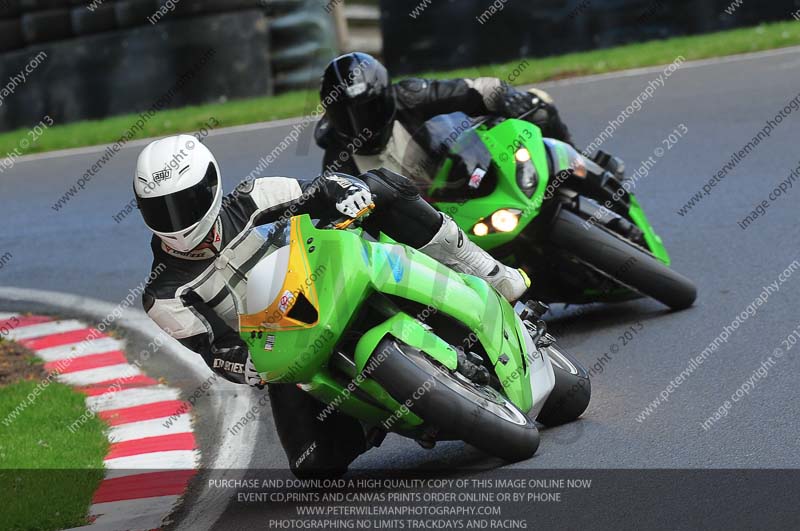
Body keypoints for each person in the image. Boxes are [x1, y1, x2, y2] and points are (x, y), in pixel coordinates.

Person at [136, 134, 529, 477]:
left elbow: (322, 188)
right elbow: (215, 350)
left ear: (211, 185)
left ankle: (489, 271)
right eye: (162, 210)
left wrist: (346, 192)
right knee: (314, 464)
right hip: (287, 347)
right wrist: (249, 366)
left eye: (186, 202)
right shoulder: (165, 295)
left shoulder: (253, 197)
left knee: (383, 188)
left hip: (334, 279)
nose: (177, 218)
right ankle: (366, 414)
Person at [315, 52, 578, 179]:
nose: (362, 125)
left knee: (538, 107)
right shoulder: (338, 164)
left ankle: (581, 164)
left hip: (473, 172)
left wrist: (506, 96)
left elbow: (476, 89)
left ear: (386, 96)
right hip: (434, 236)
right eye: (346, 116)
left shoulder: (410, 96)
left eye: (368, 110)